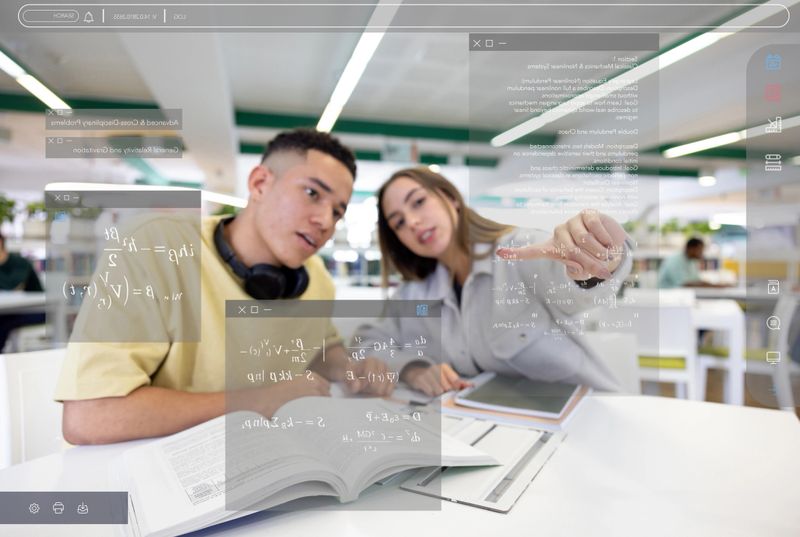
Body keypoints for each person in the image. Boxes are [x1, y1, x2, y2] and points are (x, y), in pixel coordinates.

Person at [56, 129, 394, 445]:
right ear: (260, 183)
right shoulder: (154, 246)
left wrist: (349, 366)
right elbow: (90, 416)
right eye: (312, 193)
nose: (325, 221)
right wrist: (262, 401)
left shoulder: (315, 275)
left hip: (269, 456)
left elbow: (320, 344)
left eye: (337, 211)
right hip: (165, 469)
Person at [354, 167, 634, 396]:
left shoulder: (520, 251)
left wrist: (600, 255)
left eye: (418, 202)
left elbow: (577, 286)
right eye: (398, 222)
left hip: (582, 419)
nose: (413, 222)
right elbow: (366, 344)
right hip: (497, 429)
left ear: (450, 198)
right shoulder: (414, 294)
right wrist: (413, 369)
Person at [0, 231, 45, 352]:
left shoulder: (20, 263)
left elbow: (13, 286)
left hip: (37, 310)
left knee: (3, 322)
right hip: (13, 310)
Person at [658, 237, 724, 288]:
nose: (702, 253)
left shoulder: (692, 261)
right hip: (667, 296)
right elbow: (684, 284)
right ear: (691, 249)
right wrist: (712, 286)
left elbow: (696, 280)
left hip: (681, 295)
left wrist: (714, 285)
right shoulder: (675, 260)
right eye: (700, 250)